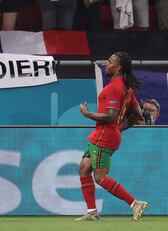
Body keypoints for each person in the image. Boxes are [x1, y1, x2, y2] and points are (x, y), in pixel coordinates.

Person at [76, 51, 148, 221]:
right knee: (84, 168)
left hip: (104, 137)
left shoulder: (116, 87)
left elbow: (111, 117)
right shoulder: (125, 87)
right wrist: (118, 129)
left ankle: (135, 203)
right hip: (102, 135)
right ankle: (92, 211)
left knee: (100, 178)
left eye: (109, 61)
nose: (106, 64)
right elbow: (137, 114)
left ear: (118, 67)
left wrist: (87, 114)